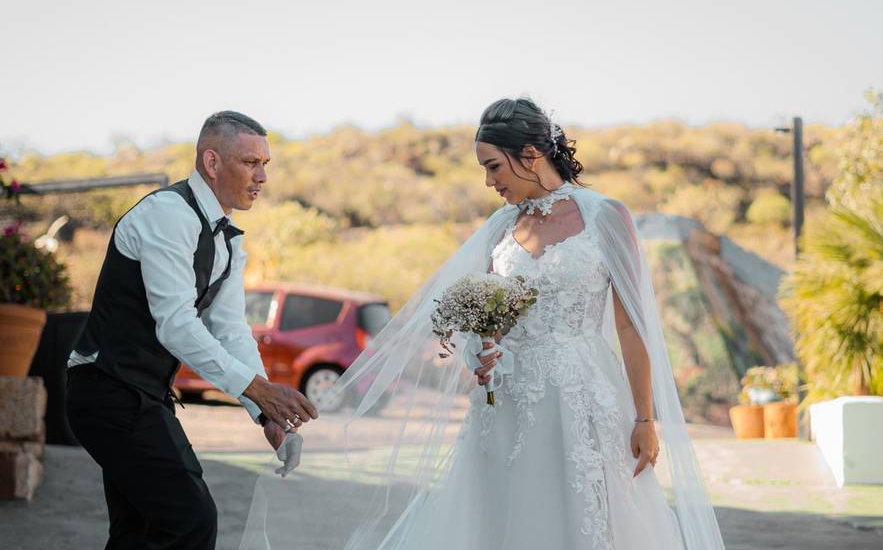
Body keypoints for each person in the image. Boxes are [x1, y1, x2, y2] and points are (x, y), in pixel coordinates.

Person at [240, 98, 725, 550]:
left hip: (582, 397)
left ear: (531, 154)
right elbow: (485, 315)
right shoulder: (499, 228)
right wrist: (481, 351)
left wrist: (645, 417)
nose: (490, 182)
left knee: (587, 514)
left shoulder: (607, 218)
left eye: (493, 166)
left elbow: (630, 326)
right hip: (507, 400)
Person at [66, 111, 319, 550]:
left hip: (140, 395)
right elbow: (177, 326)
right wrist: (259, 390)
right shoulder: (168, 214)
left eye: (265, 164)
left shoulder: (229, 240)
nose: (261, 176)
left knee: (139, 532)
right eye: (250, 162)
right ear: (212, 162)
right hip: (106, 390)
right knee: (191, 521)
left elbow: (230, 329)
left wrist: (267, 414)